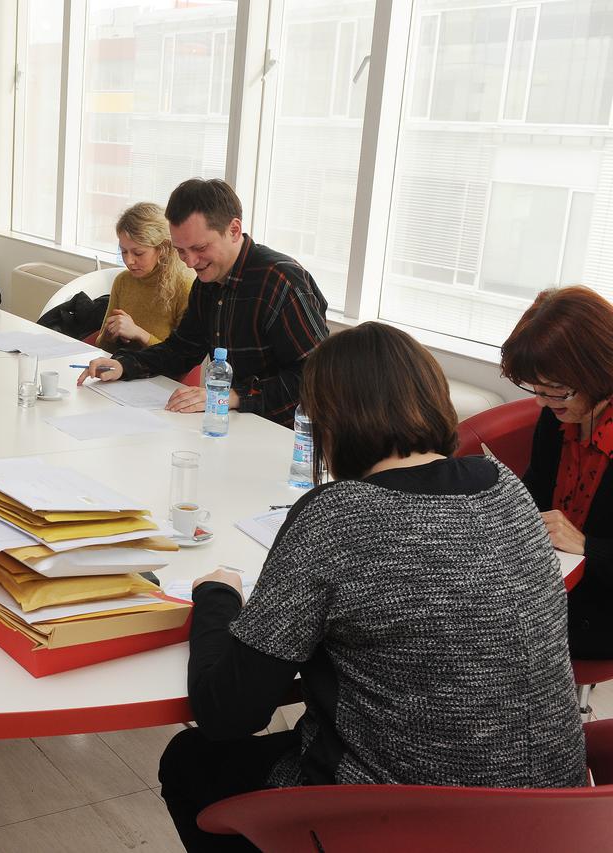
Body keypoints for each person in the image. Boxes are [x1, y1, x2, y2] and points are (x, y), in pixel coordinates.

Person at [159, 321, 585, 852]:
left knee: (190, 761)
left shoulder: (339, 515)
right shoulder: (506, 488)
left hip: (409, 823)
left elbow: (228, 714)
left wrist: (217, 596)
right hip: (555, 819)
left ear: (327, 422)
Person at [79, 178, 329, 428]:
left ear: (233, 230)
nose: (190, 262)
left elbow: (316, 379)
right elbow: (181, 350)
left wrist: (234, 396)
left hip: (287, 433)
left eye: (199, 248)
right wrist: (124, 365)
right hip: (231, 422)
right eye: (181, 250)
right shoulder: (207, 282)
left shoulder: (282, 282)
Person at [501, 285, 613, 659]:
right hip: (551, 576)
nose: (541, 402)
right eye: (536, 388)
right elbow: (536, 484)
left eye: (556, 390)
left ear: (599, 372)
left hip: (598, 604)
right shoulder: (559, 416)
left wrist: (587, 547)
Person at [94, 202, 193, 352]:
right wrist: (109, 334)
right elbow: (102, 348)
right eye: (123, 251)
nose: (129, 261)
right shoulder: (123, 281)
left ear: (163, 249)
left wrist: (139, 334)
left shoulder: (184, 287)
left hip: (159, 368)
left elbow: (183, 357)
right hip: (121, 364)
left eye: (138, 253)